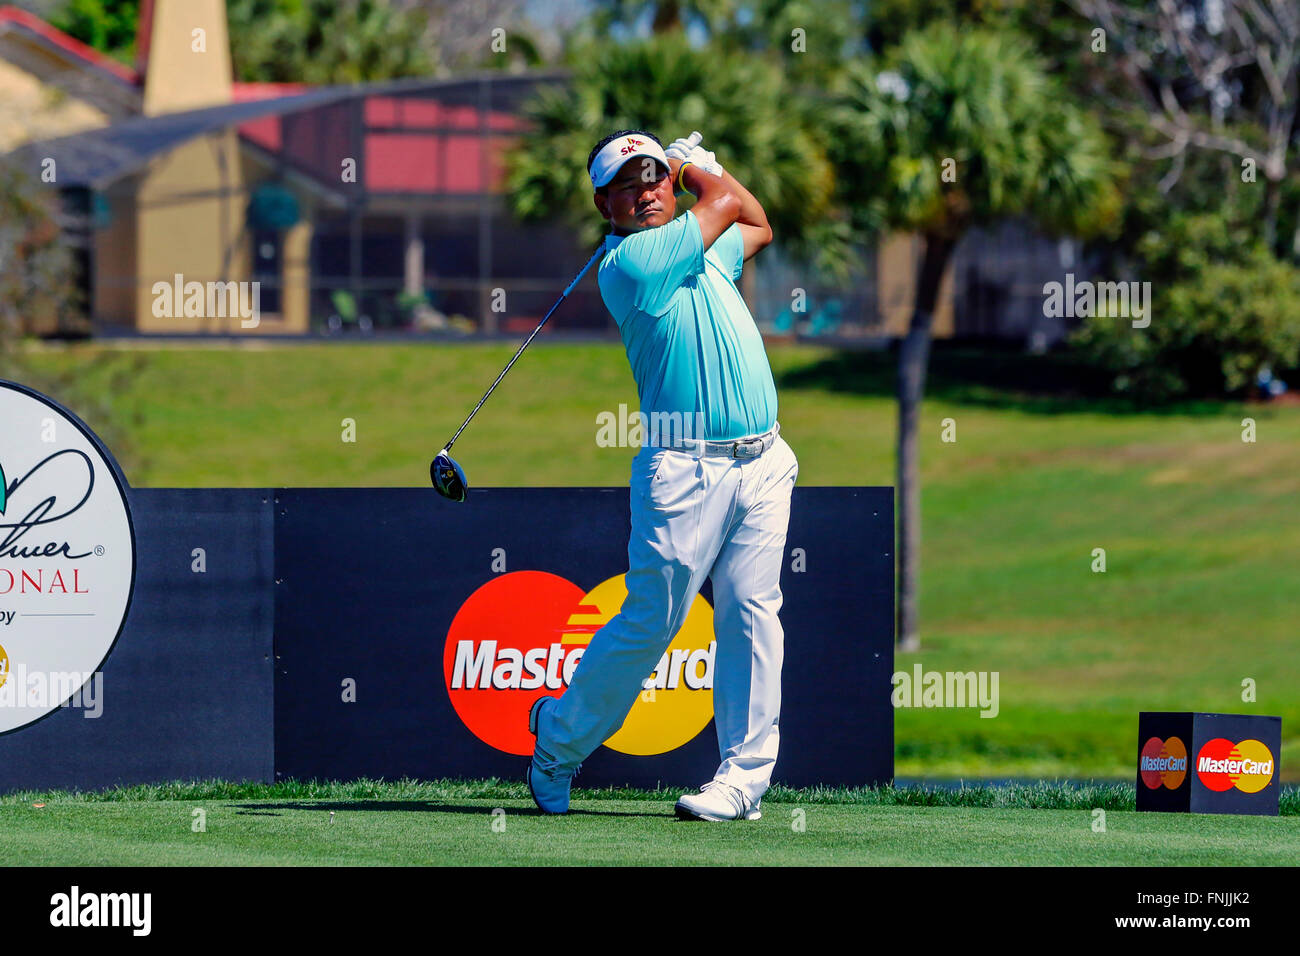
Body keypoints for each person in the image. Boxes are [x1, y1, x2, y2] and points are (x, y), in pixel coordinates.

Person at [527, 129, 798, 821]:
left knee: (751, 615)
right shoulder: (632, 263)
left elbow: (758, 223)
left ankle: (743, 781)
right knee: (654, 621)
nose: (647, 191)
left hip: (764, 460)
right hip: (685, 469)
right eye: (630, 183)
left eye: (654, 178)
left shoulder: (697, 250)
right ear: (604, 203)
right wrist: (695, 168)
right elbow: (729, 201)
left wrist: (705, 172)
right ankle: (557, 741)